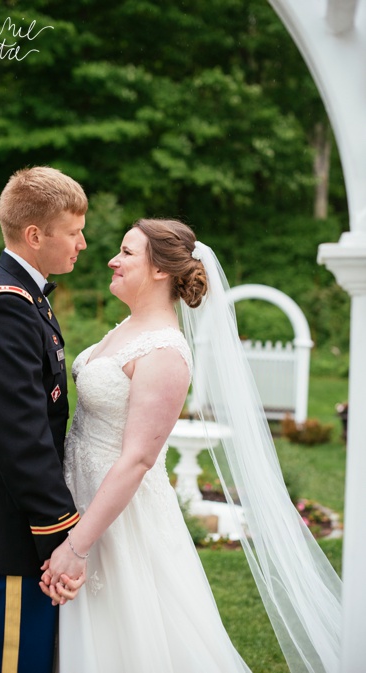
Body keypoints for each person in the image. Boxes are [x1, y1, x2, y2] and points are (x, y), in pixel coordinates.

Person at [43, 218, 342, 673]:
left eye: (127, 252)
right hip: (83, 498)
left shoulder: (165, 352)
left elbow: (138, 459)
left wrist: (77, 547)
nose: (112, 260)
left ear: (161, 269)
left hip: (122, 521)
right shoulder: (127, 328)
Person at [0, 166, 89, 673]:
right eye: (73, 232)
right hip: (12, 535)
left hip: (15, 527)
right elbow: (21, 439)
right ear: (35, 235)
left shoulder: (24, 297)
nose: (83, 244)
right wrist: (60, 539)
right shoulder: (4, 310)